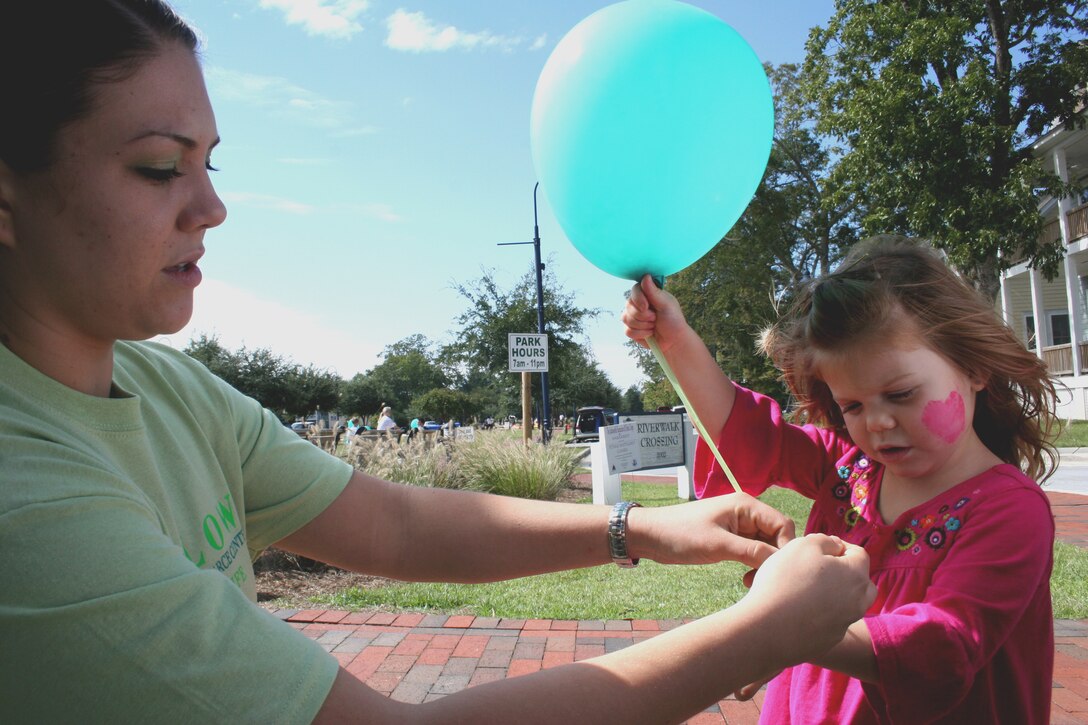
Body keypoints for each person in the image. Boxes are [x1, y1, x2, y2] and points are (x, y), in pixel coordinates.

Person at [0, 3, 876, 722]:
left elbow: (395, 522)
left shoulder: (164, 384)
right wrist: (763, 630)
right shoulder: (27, 504)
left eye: (210, 163)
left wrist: (636, 529)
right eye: (159, 168)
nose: (214, 206)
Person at [622, 235, 1060, 723]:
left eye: (901, 394)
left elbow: (946, 644)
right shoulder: (848, 469)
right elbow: (741, 427)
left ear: (973, 368)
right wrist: (675, 341)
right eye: (851, 405)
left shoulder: (1009, 508)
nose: (875, 423)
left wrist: (787, 631)